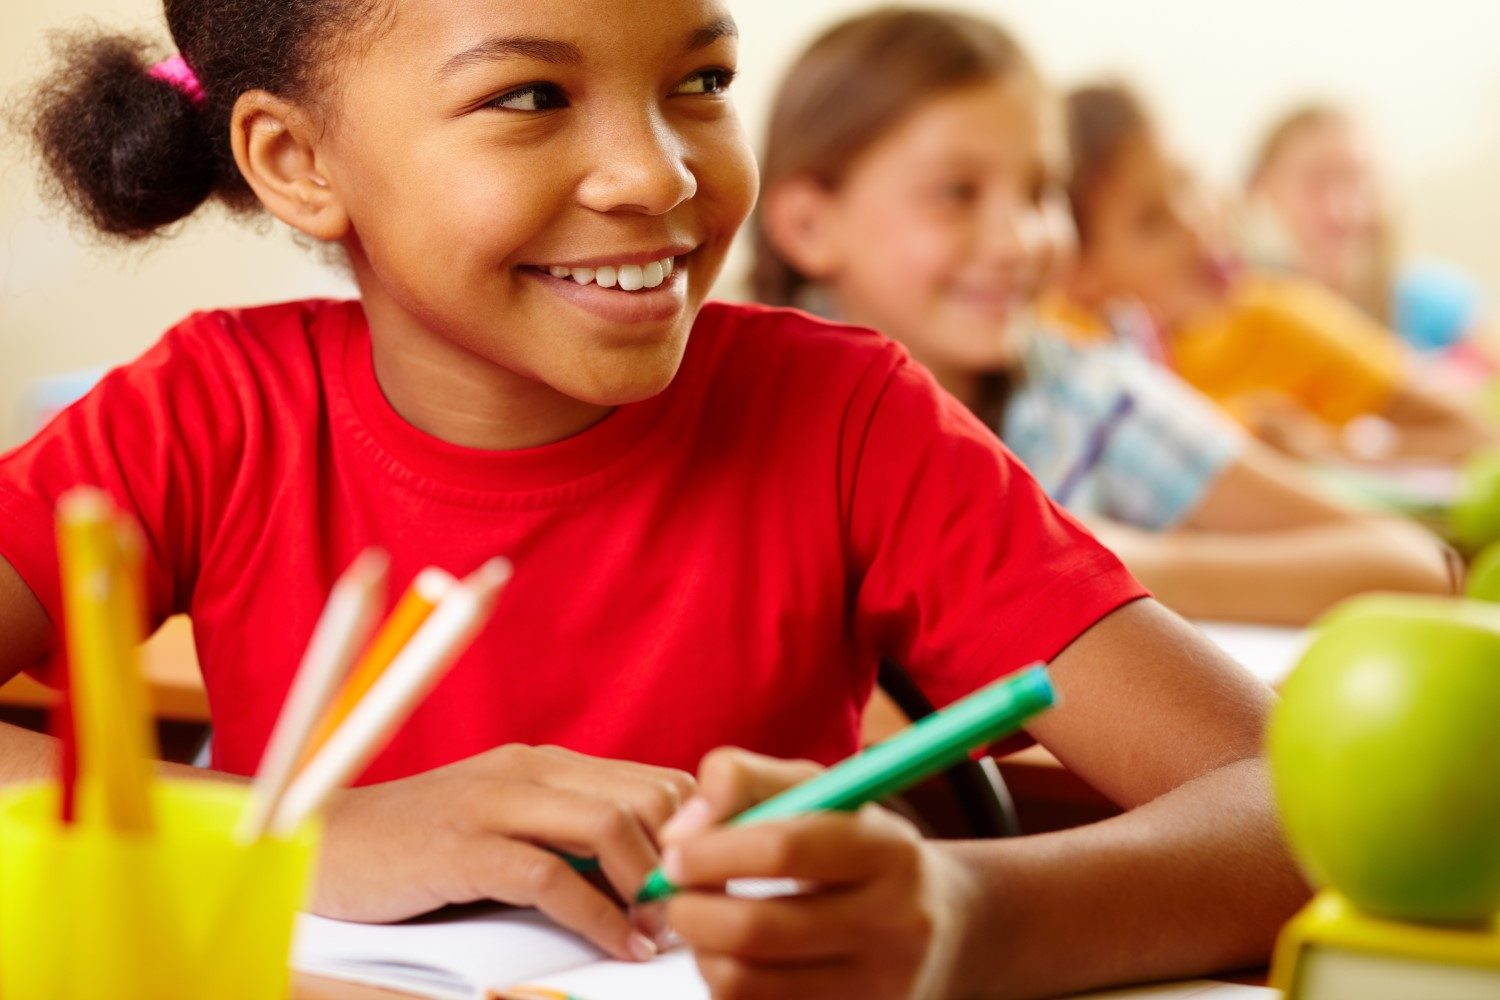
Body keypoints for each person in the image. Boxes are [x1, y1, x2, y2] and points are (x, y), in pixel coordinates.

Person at [5, 3, 1302, 995]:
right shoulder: (210, 413)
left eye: (701, 83)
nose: (659, 173)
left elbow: (1287, 804)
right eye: (529, 94)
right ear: (295, 160)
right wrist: (306, 832)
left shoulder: (850, 420)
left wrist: (965, 917)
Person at [752, 14, 1455, 627]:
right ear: (810, 224)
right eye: (957, 193)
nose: (1020, 239)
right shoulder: (739, 415)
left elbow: (1415, 562)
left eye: (1040, 191)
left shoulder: (1085, 399)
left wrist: (1107, 561)